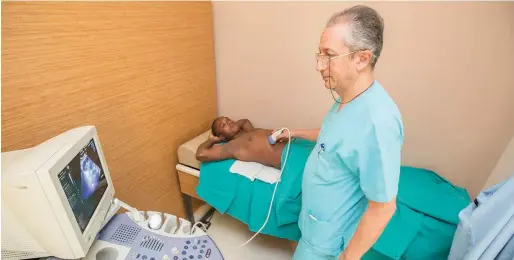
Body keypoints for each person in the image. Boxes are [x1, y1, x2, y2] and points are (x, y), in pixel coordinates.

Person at [274, 5, 404, 260]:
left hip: (329, 245)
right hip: (315, 227)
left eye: (328, 55)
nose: (319, 65)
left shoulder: (378, 122)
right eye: (318, 54)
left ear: (362, 59)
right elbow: (335, 138)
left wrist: (347, 258)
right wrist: (295, 133)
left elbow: (384, 207)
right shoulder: (347, 98)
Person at [195, 116, 287, 169]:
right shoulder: (232, 146)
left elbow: (244, 121)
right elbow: (200, 154)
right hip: (290, 157)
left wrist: (236, 127)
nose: (229, 122)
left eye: (228, 119)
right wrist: (213, 140)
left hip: (296, 142)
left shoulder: (249, 131)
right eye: (223, 125)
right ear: (221, 137)